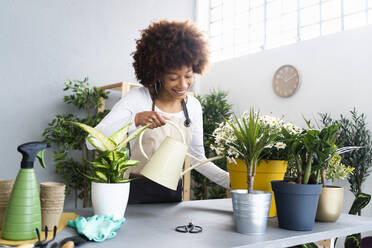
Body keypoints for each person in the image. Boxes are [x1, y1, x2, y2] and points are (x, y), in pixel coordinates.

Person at [90, 20, 230, 203]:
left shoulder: (193, 106)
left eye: (188, 76)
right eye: (173, 78)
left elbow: (196, 159)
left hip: (172, 196)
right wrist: (135, 120)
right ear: (157, 74)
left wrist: (231, 181)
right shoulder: (137, 99)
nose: (183, 85)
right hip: (134, 195)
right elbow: (92, 141)